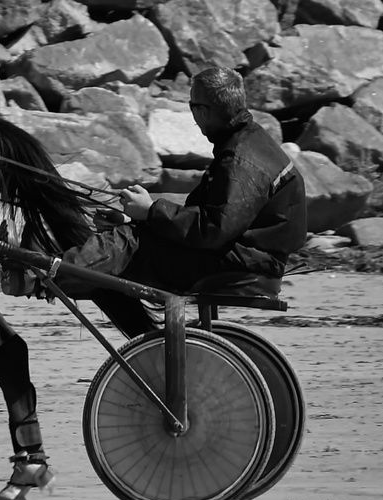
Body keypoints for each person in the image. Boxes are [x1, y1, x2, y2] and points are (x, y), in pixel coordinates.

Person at [37, 66, 308, 337]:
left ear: (203, 111)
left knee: (128, 243)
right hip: (248, 256)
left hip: (243, 263)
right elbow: (209, 215)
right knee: (130, 236)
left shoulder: (239, 159)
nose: (194, 117)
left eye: (192, 107)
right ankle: (60, 274)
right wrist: (138, 217)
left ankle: (44, 274)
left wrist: (151, 211)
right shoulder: (249, 142)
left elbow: (212, 229)